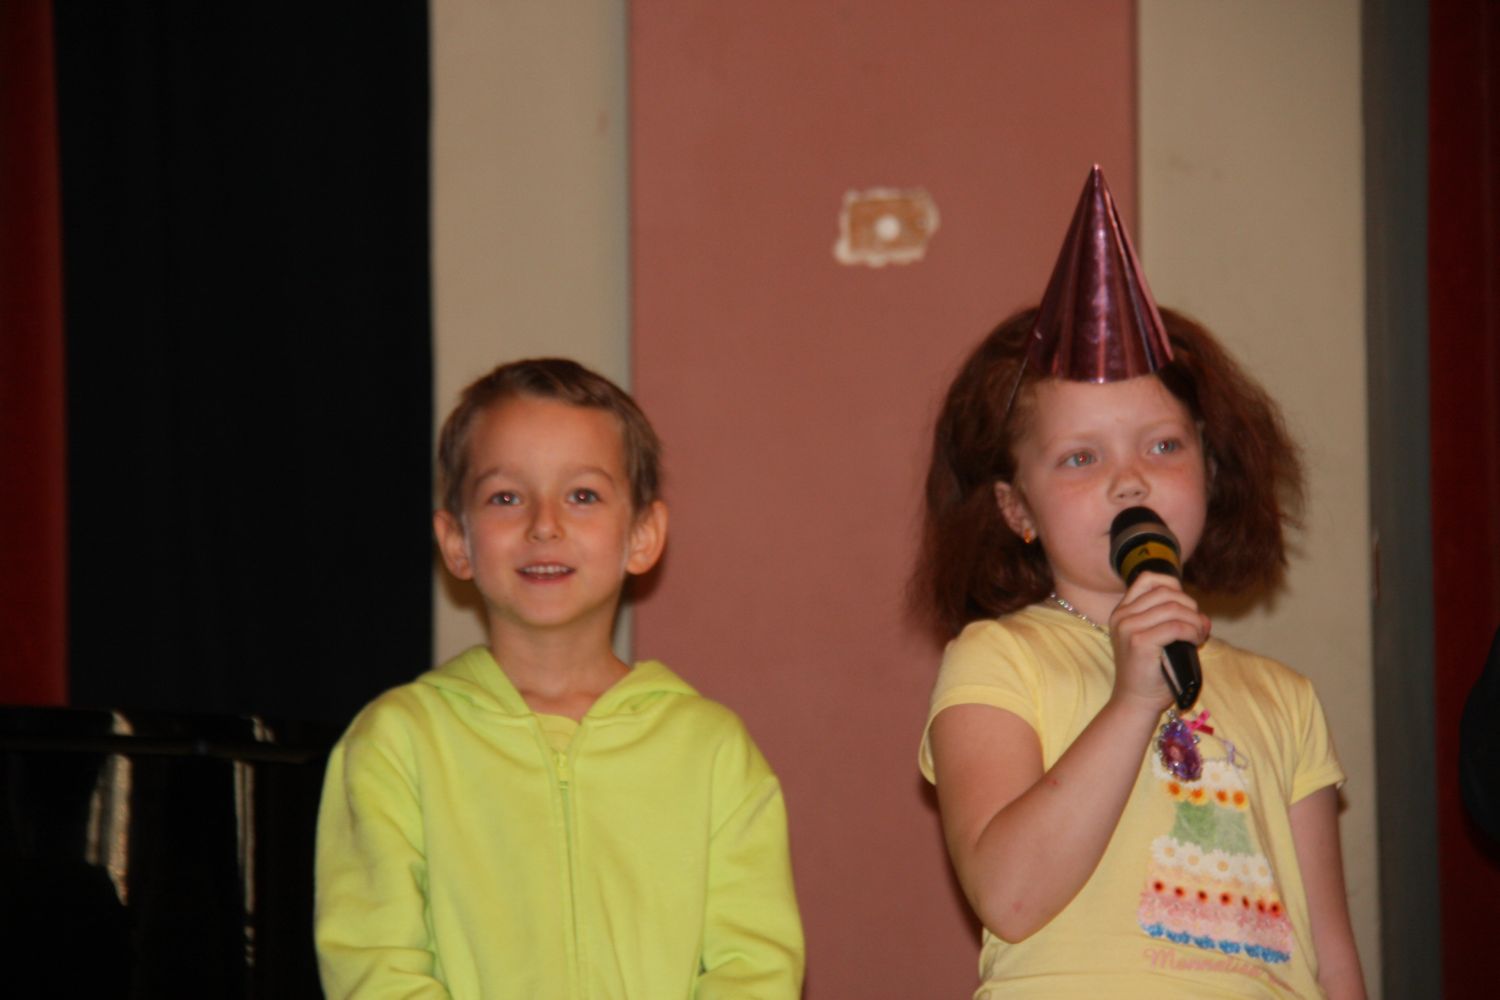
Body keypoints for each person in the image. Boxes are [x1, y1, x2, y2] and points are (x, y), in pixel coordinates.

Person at [913, 168, 1365, 998]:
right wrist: (1130, 702)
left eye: (1162, 446)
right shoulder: (997, 659)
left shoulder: (1285, 698)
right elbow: (1010, 895)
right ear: (1016, 507)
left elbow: (1330, 953)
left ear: (1211, 470)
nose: (1130, 481)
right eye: (1081, 458)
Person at [314, 359, 804, 999]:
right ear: (456, 541)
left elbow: (754, 968)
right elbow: (375, 965)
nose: (544, 524)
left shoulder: (711, 749)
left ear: (643, 536)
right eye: (505, 497)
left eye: (582, 496)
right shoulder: (397, 742)